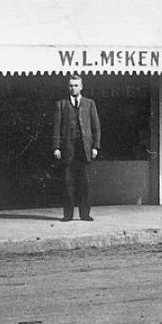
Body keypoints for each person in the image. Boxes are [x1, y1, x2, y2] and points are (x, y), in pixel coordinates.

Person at [51, 75, 101, 221]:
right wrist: (56, 147)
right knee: (67, 184)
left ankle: (85, 214)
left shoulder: (89, 103)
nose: (73, 88)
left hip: (84, 150)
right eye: (71, 86)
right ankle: (68, 215)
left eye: (76, 85)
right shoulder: (61, 104)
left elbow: (96, 127)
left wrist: (95, 146)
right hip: (68, 150)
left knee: (84, 184)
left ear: (81, 87)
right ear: (68, 87)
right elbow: (56, 128)